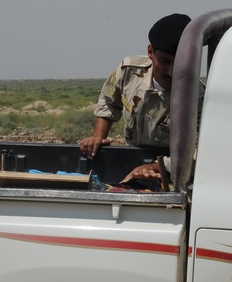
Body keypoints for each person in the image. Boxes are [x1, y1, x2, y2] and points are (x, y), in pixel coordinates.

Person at [79, 12, 194, 183]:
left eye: (179, 63)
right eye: (165, 61)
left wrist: (154, 167)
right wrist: (98, 136)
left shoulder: (197, 97)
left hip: (173, 172)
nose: (171, 71)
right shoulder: (129, 71)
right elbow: (109, 101)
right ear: (150, 52)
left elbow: (196, 153)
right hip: (132, 159)